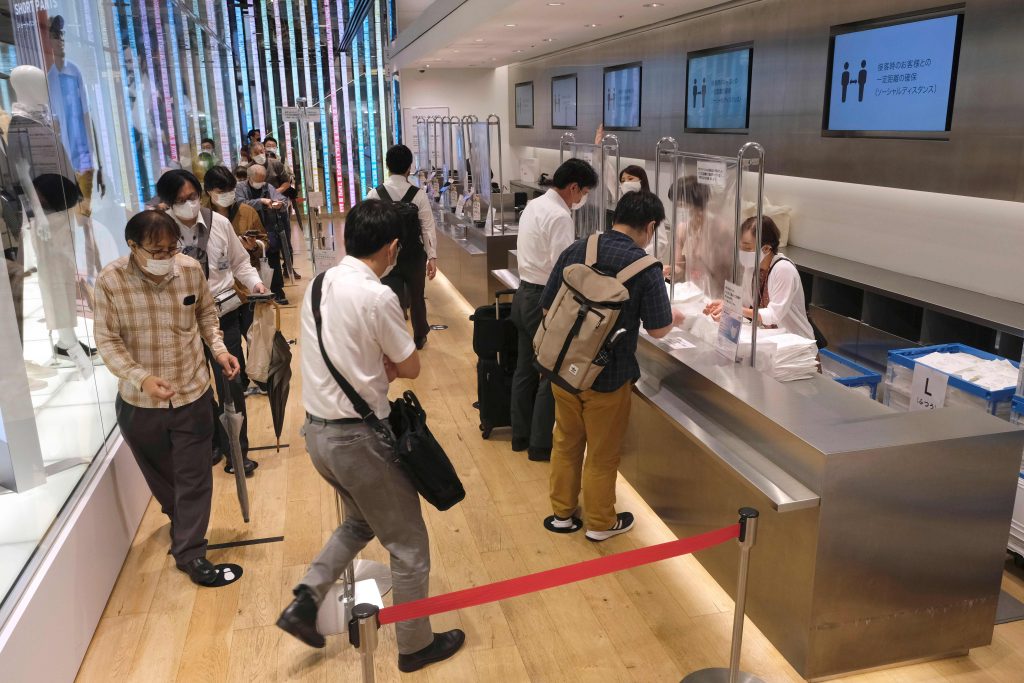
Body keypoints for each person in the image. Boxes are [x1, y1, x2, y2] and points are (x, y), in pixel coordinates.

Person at [277, 199, 465, 672]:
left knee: (360, 523)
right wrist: (388, 367)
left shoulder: (320, 282)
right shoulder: (378, 296)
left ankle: (305, 600)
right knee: (408, 545)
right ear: (394, 246)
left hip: (318, 435)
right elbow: (412, 366)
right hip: (358, 440)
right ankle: (414, 645)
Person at [93, 211, 241, 586]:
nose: (165, 255)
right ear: (133, 247)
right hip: (139, 402)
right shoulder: (110, 280)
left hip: (192, 391)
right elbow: (107, 341)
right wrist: (141, 379)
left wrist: (219, 349)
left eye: (171, 247)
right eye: (156, 249)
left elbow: (207, 315)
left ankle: (190, 551)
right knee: (162, 478)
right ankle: (183, 521)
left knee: (194, 476)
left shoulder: (190, 270)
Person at [541, 191, 682, 541]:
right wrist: (676, 317)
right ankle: (601, 523)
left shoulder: (578, 249)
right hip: (609, 377)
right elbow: (659, 329)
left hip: (562, 369)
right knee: (602, 455)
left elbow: (548, 307)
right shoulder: (645, 268)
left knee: (565, 442)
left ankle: (562, 514)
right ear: (650, 227)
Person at [156, 170, 267, 475]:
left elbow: (240, 262)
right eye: (180, 200)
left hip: (223, 314)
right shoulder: (161, 231)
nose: (189, 204)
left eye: (192, 196)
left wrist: (255, 283)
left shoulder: (219, 224)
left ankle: (237, 451)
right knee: (194, 388)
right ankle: (214, 442)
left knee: (230, 382)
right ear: (167, 203)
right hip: (181, 321)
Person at [511, 158, 598, 462]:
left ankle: (519, 436)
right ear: (574, 187)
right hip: (542, 300)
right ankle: (540, 444)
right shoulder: (560, 216)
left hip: (522, 294)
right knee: (551, 372)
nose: (582, 199)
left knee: (524, 368)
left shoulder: (535, 205)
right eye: (583, 192)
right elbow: (566, 269)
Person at [365, 144, 438, 349]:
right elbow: (427, 228)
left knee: (390, 299)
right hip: (414, 254)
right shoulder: (418, 194)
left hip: (385, 256)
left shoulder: (375, 194)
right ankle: (420, 335)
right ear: (409, 168)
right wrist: (432, 258)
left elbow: (369, 228)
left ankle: (394, 340)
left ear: (387, 166)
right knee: (417, 297)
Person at [203, 165, 269, 378]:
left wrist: (254, 245)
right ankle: (238, 380)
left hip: (247, 290)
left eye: (230, 190)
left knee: (253, 336)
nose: (227, 196)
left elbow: (266, 242)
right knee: (230, 347)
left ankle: (257, 377)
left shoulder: (247, 212)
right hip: (219, 297)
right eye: (221, 191)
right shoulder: (203, 219)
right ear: (209, 192)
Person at [703, 216, 814, 339]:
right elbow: (745, 304)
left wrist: (736, 309)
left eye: (747, 248)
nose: (742, 252)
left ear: (766, 248)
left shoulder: (783, 270)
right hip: (770, 338)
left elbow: (773, 315)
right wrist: (727, 305)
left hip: (796, 342)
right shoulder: (751, 267)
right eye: (740, 247)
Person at [236, 163, 289, 303]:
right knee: (250, 262)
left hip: (269, 228)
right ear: (249, 178)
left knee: (273, 258)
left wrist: (279, 203)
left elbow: (282, 199)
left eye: (263, 179)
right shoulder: (240, 188)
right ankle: (256, 290)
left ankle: (278, 290)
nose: (261, 183)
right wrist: (261, 201)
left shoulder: (268, 186)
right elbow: (241, 204)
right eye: (258, 180)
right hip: (249, 230)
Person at [249, 141, 298, 278]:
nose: (260, 155)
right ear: (251, 155)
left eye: (262, 152)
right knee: (267, 242)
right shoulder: (250, 169)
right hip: (260, 211)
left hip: (279, 208)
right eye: (256, 153)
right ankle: (266, 272)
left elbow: (287, 182)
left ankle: (289, 268)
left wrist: (274, 193)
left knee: (285, 240)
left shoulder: (276, 164)